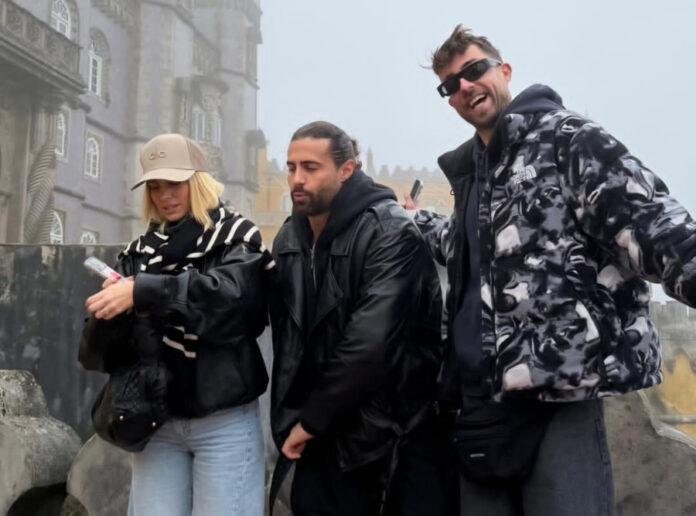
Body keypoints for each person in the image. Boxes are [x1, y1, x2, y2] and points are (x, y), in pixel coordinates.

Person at [405, 25, 696, 516]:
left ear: (504, 70)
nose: (465, 86)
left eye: (473, 70)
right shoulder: (476, 174)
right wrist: (416, 220)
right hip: (481, 398)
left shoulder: (568, 139)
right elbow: (464, 246)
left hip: (560, 391)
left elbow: (652, 224)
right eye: (450, 84)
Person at [79, 133, 273, 515]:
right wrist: (110, 313)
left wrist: (144, 292)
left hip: (223, 420)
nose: (164, 196)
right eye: (155, 187)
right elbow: (96, 354)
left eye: (174, 184)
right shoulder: (138, 252)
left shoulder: (237, 238)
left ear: (198, 183)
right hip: (157, 419)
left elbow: (235, 306)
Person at [269, 121, 455, 516]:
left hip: (386, 440)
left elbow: (370, 343)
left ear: (347, 169)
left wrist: (309, 421)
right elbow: (288, 341)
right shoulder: (289, 238)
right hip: (318, 435)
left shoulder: (390, 231)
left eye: (311, 167)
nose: (297, 179)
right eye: (291, 167)